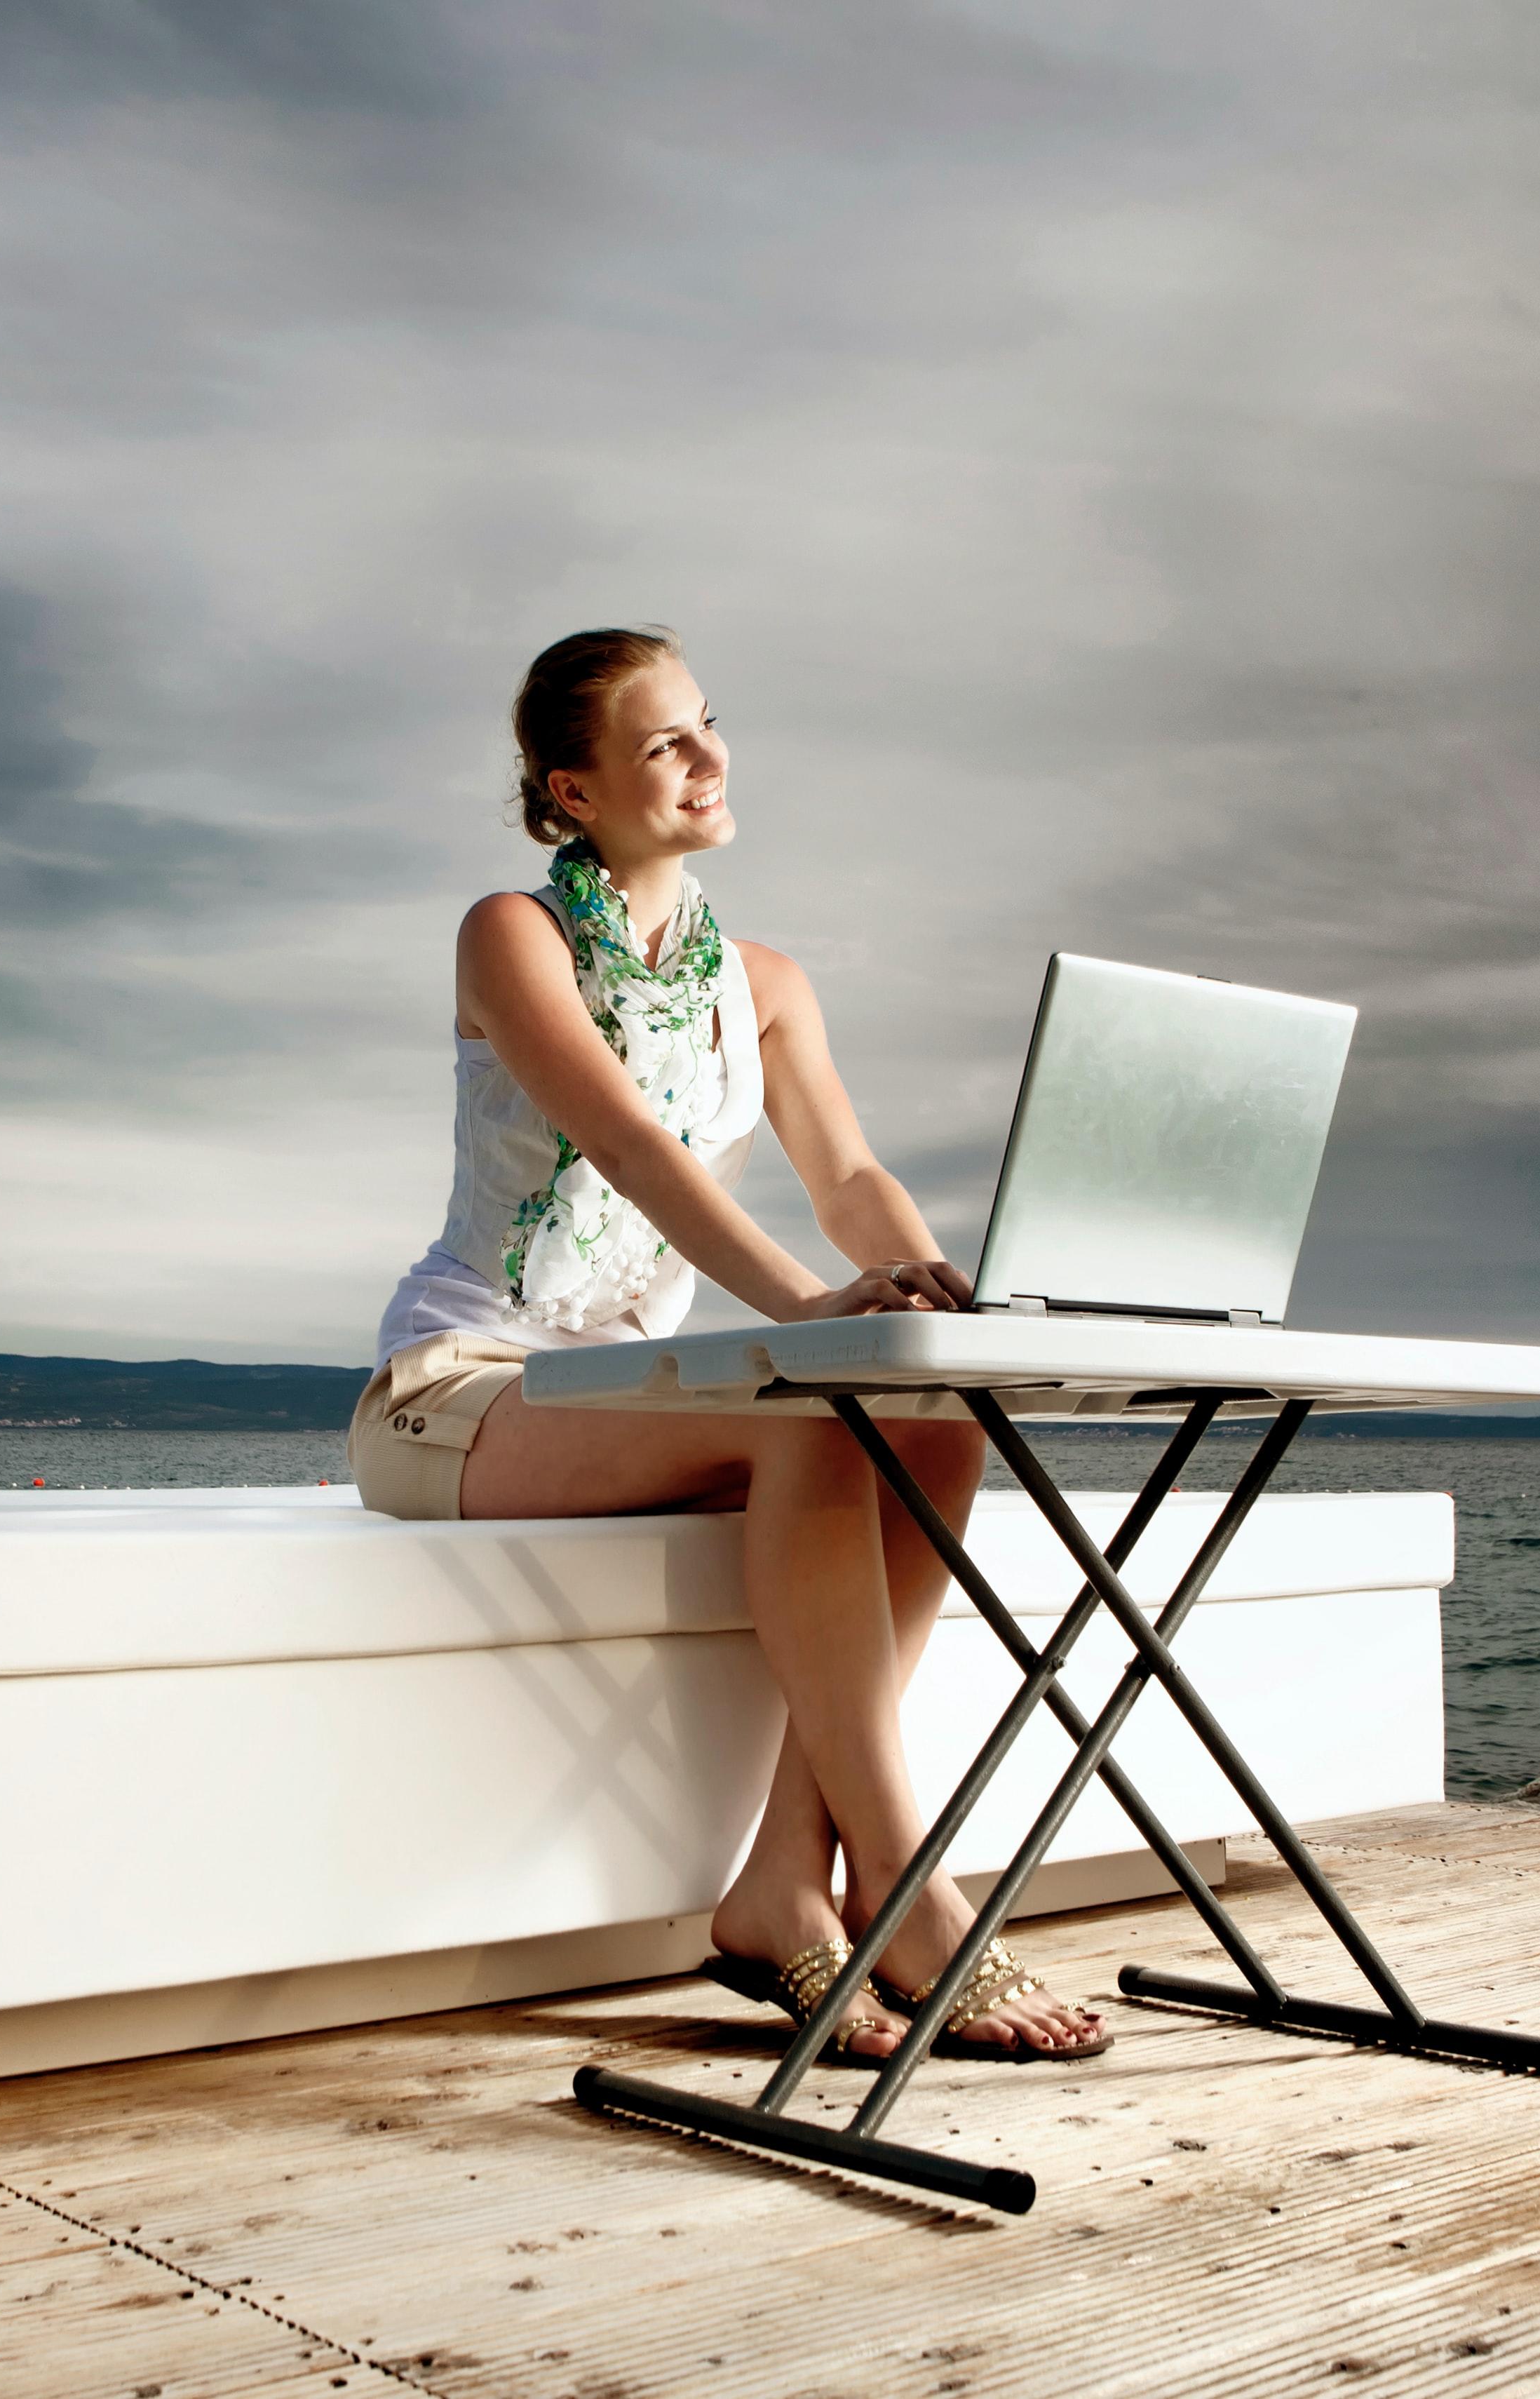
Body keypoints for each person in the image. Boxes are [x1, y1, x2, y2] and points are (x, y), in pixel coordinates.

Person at [348, 626, 1107, 2065]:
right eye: (663, 744)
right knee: (806, 1408)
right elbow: (630, 1145)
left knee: (929, 1418)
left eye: (708, 724)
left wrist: (925, 1296)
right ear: (573, 793)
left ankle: (781, 1888)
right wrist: (810, 1313)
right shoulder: (510, 936)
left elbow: (848, 1177)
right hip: (459, 1391)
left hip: (633, 1394)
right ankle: (906, 1882)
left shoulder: (764, 983)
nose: (709, 759)